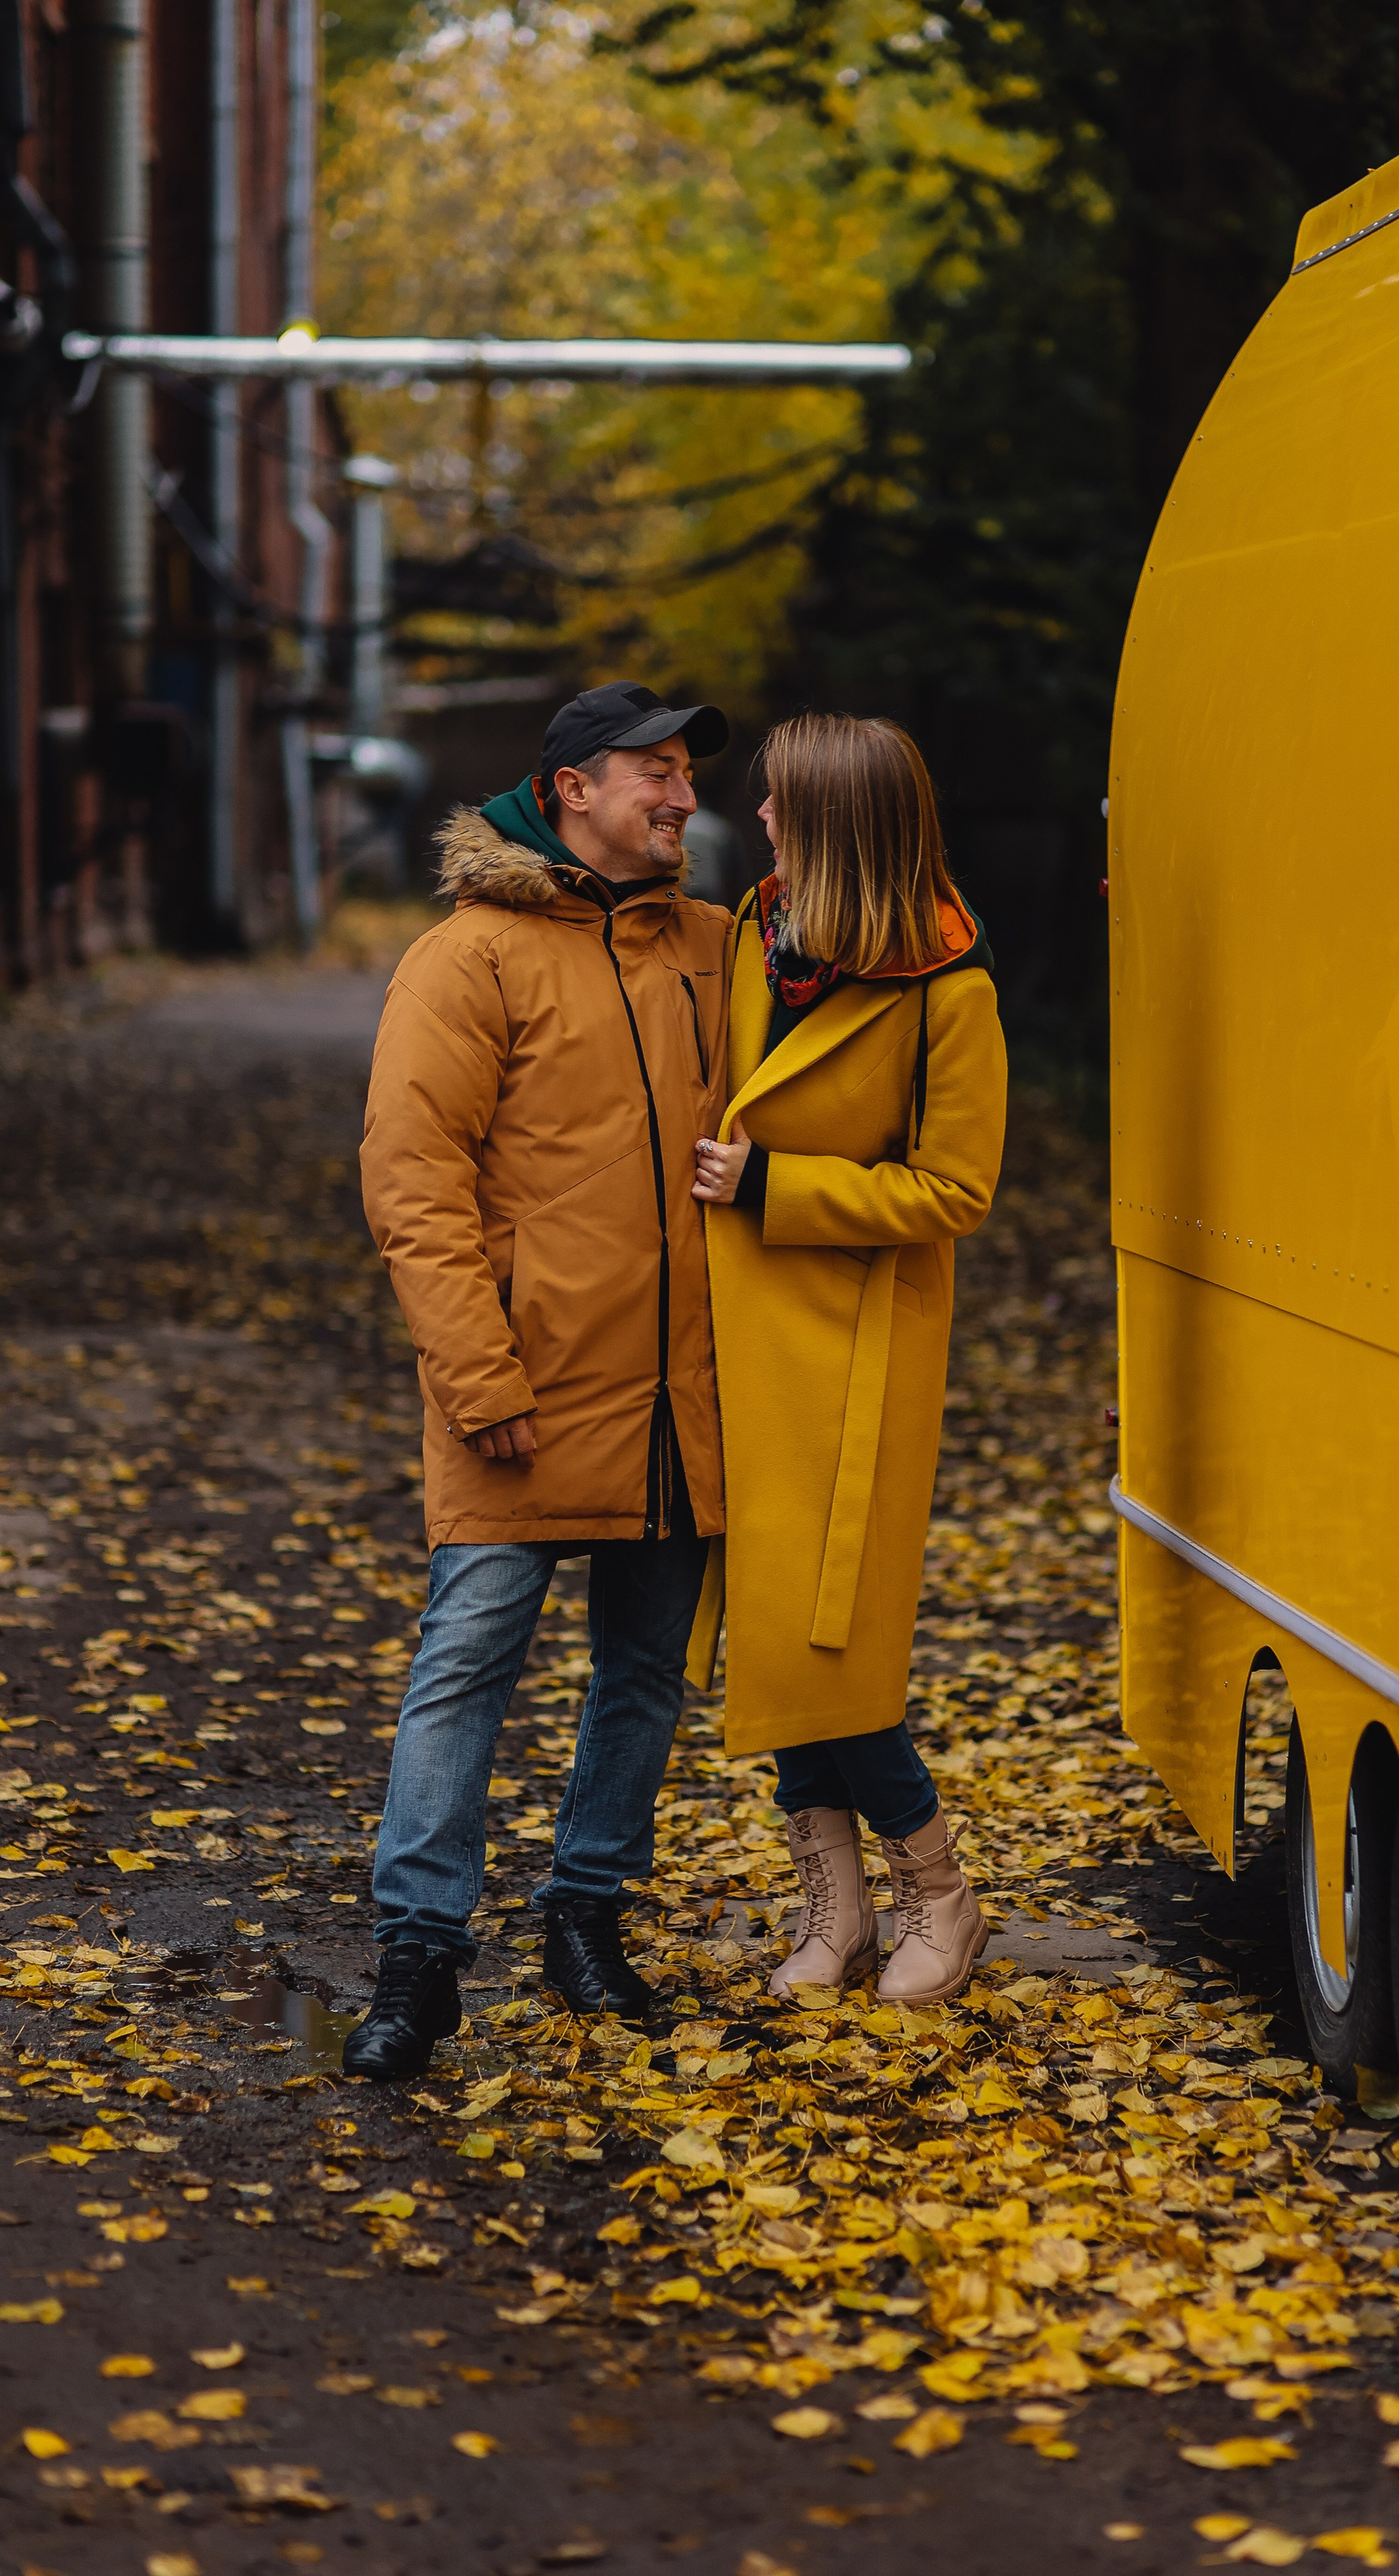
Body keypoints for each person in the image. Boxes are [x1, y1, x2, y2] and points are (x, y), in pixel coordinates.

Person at [345, 681, 732, 2079]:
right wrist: (475, 1370)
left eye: (687, 773)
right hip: (521, 1393)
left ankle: (586, 1917)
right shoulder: (472, 958)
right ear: (571, 785)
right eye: (655, 770)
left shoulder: (714, 946)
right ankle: (417, 1959)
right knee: (465, 1671)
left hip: (680, 1402)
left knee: (642, 1678)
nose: (680, 796)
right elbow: (413, 1178)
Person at [690, 712, 1007, 2005]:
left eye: (778, 802)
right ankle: (838, 1907)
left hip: (853, 1352)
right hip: (739, 1341)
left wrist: (778, 1187)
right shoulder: (752, 940)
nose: (757, 817)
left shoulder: (947, 984)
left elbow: (958, 1188)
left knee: (834, 1651)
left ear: (834, 823)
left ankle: (945, 1892)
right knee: (778, 1644)